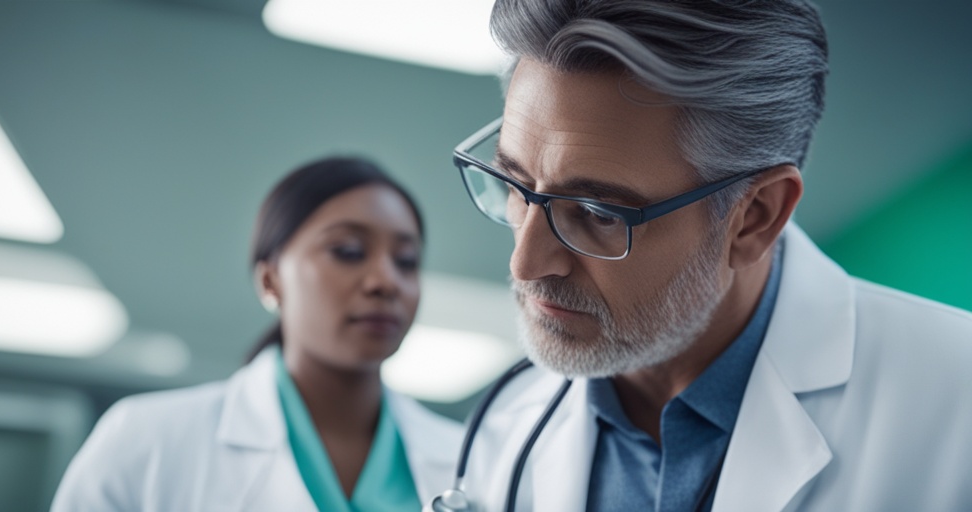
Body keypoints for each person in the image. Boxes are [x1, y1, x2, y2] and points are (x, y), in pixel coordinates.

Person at [441, 1, 972, 511]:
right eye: (514, 184)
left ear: (755, 217)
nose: (525, 264)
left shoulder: (955, 405)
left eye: (597, 213)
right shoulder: (507, 432)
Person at [52, 156, 462, 511]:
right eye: (348, 251)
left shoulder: (470, 459)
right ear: (270, 281)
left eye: (406, 261)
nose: (385, 282)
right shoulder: (146, 440)